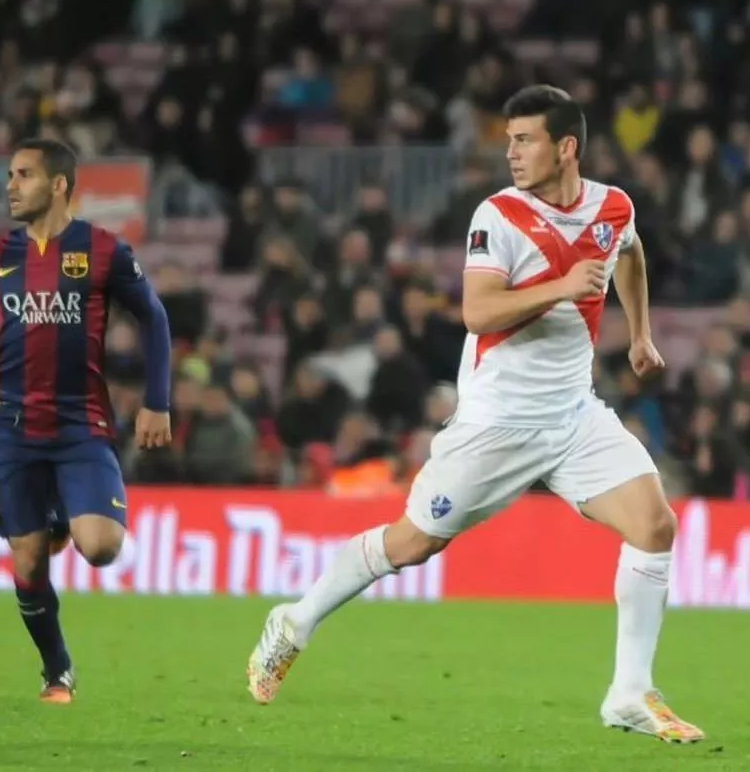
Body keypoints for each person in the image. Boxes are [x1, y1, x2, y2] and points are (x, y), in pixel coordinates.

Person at [247, 86, 705, 744]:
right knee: (413, 542)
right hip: (495, 424)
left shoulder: (613, 206)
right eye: (509, 139)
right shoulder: (498, 216)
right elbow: (479, 312)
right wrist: (562, 286)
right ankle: (296, 619)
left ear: (566, 147)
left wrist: (639, 333)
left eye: (525, 139)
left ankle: (629, 691)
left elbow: (627, 252)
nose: (511, 152)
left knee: (656, 525)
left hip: (574, 416)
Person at [0, 139, 173, 703]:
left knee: (99, 546)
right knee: (26, 558)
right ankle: (57, 669)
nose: (10, 185)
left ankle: (60, 521)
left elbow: (153, 315)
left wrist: (157, 400)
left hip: (82, 424)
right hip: (9, 426)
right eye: (9, 174)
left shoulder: (103, 252)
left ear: (58, 185)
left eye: (23, 174)